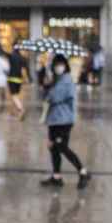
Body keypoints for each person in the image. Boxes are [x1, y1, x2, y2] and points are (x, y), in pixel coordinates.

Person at [40, 54, 90, 189]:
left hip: (64, 120)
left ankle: (83, 172)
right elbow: (45, 98)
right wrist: (46, 85)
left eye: (60, 64)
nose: (58, 67)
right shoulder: (57, 80)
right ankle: (56, 177)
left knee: (62, 147)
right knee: (53, 148)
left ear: (65, 66)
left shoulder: (67, 80)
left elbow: (54, 98)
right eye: (56, 65)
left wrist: (48, 87)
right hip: (54, 120)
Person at [7, 49, 28, 118]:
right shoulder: (22, 58)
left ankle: (20, 108)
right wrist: (25, 79)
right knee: (15, 96)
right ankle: (12, 113)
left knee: (13, 96)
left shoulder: (11, 56)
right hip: (19, 80)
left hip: (11, 78)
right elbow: (23, 70)